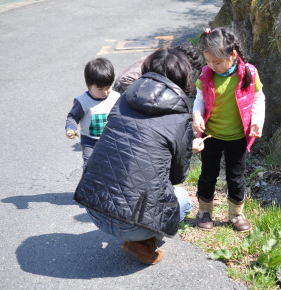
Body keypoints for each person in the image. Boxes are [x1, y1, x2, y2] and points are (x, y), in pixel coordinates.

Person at [74, 48, 206, 265]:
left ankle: (136, 235)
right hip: (131, 224)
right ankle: (142, 242)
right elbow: (176, 177)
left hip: (94, 210)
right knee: (183, 199)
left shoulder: (123, 100)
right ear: (185, 78)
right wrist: (185, 150)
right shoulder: (180, 116)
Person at [192, 27, 266, 232]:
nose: (212, 66)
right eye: (208, 61)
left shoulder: (248, 73)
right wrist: (197, 116)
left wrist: (257, 121)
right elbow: (199, 99)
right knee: (208, 174)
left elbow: (259, 99)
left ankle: (236, 214)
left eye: (216, 62)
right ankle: (204, 212)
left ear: (233, 54)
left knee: (236, 176)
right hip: (211, 135)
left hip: (238, 137)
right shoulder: (207, 74)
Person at [65, 58, 120, 169]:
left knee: (112, 166)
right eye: (100, 89)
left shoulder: (115, 97)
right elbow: (73, 116)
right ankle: (88, 185)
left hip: (111, 140)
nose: (105, 92)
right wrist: (71, 128)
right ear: (89, 85)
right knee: (89, 167)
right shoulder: (82, 101)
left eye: (108, 87)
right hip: (90, 142)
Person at [112, 41, 205, 94]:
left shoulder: (168, 61)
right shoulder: (158, 62)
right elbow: (125, 80)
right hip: (122, 94)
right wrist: (145, 96)